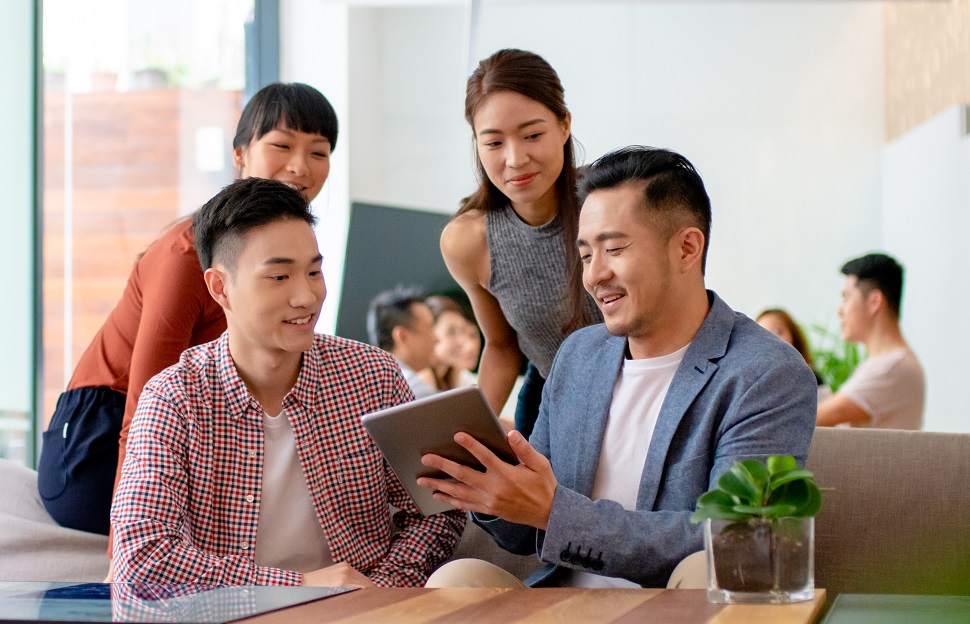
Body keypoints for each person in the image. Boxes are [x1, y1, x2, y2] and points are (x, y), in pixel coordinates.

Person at [418, 146, 817, 588]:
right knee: (458, 579)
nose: (594, 276)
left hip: (668, 608)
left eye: (614, 249)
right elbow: (525, 532)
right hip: (561, 605)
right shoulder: (578, 357)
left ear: (687, 248)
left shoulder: (765, 373)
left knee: (705, 571)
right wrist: (490, 491)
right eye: (587, 255)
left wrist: (554, 511)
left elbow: (734, 540)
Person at [110, 178, 465, 586]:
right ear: (219, 287)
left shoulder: (374, 377)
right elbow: (141, 554)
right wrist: (299, 588)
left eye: (314, 271)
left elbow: (436, 512)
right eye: (279, 277)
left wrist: (380, 591)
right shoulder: (174, 398)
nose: (307, 297)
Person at [37, 82, 339, 536]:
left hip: (195, 428)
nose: (301, 166)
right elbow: (145, 403)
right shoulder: (187, 254)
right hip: (98, 441)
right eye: (281, 145)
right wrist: (122, 549)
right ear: (240, 154)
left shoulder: (293, 250)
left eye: (319, 152)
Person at [440, 48, 601, 440]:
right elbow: (501, 347)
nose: (515, 159)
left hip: (643, 393)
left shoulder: (609, 203)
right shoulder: (469, 241)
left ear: (564, 125)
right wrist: (462, 437)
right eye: (493, 143)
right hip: (552, 401)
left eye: (532, 135)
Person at [817, 253, 925, 429]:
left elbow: (807, 421)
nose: (840, 311)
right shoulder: (884, 365)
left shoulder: (891, 369)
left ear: (875, 301)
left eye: (846, 298)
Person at [366, 287, 439, 400]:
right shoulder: (411, 391)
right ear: (402, 336)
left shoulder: (375, 382)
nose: (436, 339)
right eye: (429, 328)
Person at [756, 308, 831, 400]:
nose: (771, 339)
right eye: (763, 335)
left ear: (793, 336)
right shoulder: (750, 385)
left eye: (777, 332)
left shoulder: (811, 377)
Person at [419, 295, 482, 392]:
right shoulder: (419, 380)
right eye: (451, 332)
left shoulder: (456, 375)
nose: (465, 342)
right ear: (430, 335)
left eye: (462, 331)